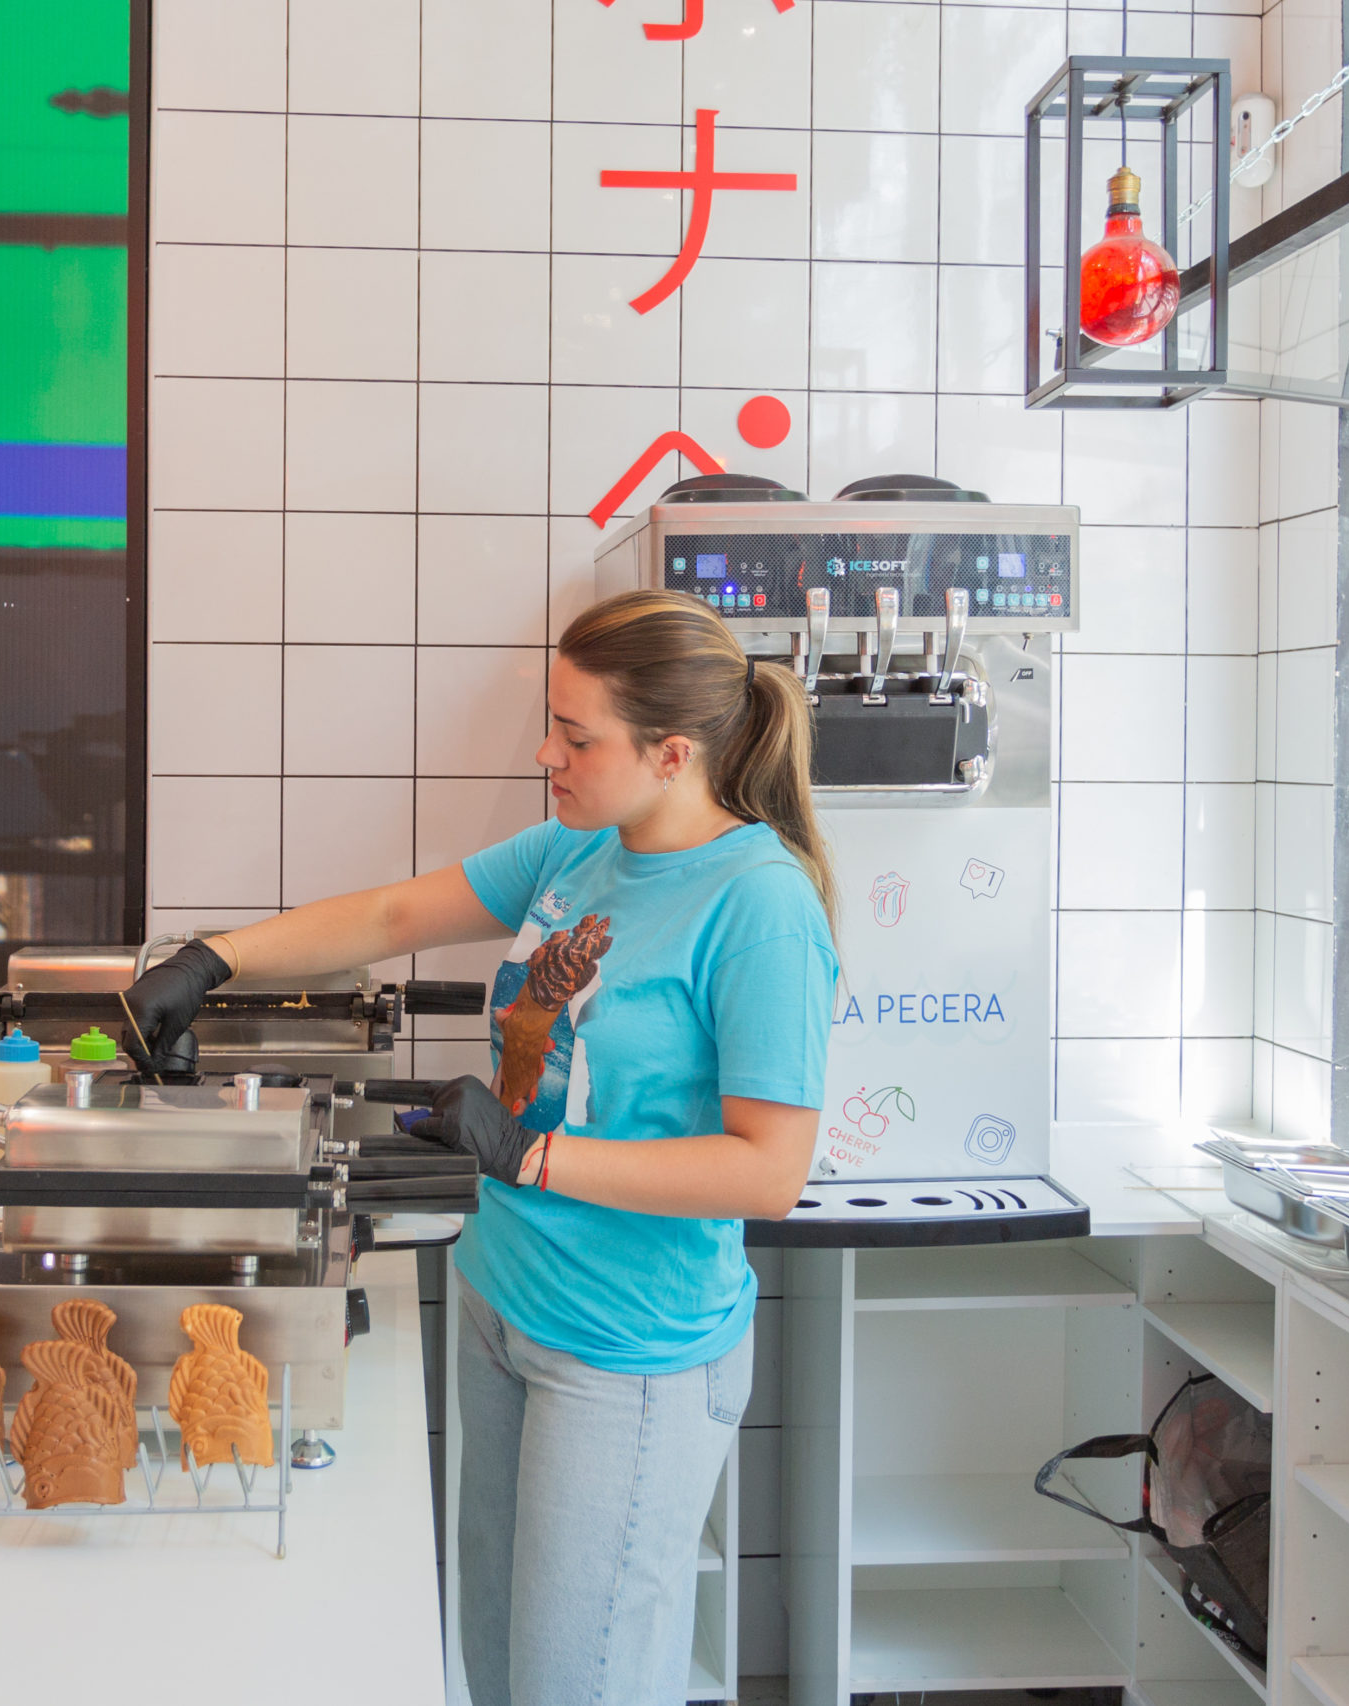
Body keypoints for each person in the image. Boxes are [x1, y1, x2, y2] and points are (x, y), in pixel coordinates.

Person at [121, 589, 840, 1705]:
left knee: (577, 1687)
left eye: (577, 735)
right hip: (503, 1304)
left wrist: (528, 1151)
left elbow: (768, 1169)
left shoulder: (759, 906)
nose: (547, 754)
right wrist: (212, 956)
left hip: (626, 1350)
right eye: (548, 723)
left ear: (672, 753)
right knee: (498, 1673)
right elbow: (393, 917)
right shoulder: (577, 847)